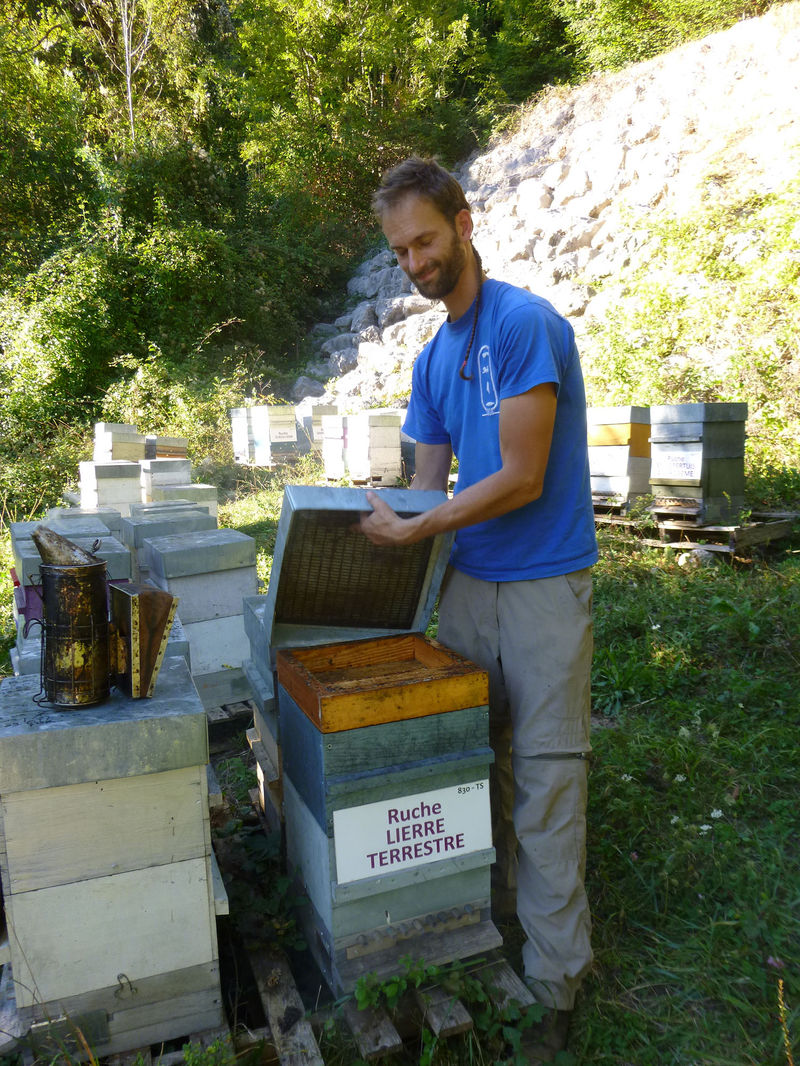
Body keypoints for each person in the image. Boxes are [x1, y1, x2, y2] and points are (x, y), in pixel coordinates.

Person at [358, 156, 598, 1060]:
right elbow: (428, 486)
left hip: (541, 587)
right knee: (468, 769)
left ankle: (555, 980)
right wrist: (382, 519)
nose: (414, 262)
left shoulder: (523, 325)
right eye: (399, 251)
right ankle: (493, 923)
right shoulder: (433, 356)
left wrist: (427, 527)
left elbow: (523, 476)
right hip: (467, 589)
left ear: (464, 222)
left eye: (423, 239)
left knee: (545, 778)